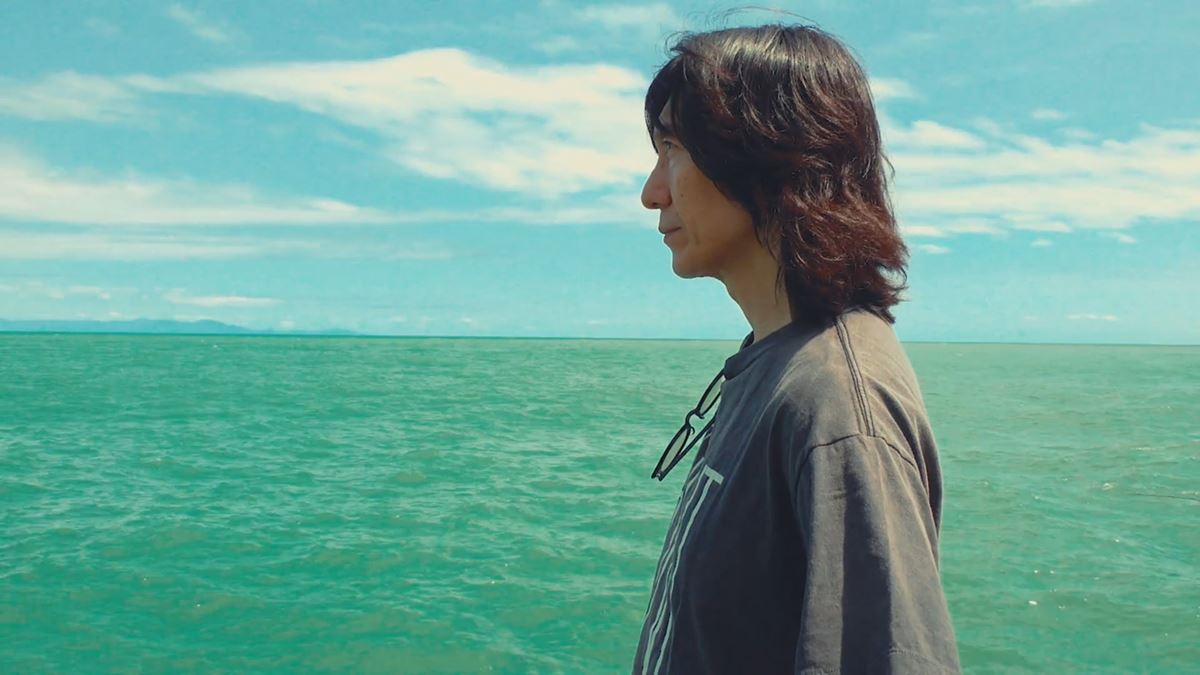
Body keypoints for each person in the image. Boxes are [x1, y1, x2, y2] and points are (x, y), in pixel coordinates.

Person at [632, 23, 962, 674]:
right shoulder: (777, 358)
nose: (651, 192)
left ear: (765, 154)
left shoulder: (837, 403)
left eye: (673, 148)